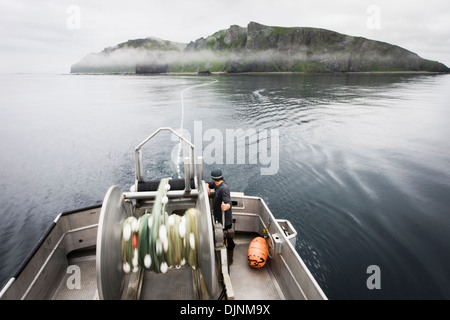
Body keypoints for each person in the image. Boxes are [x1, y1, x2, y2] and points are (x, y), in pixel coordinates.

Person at [206, 169, 235, 264]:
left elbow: (229, 203)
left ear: (213, 178)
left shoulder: (224, 189)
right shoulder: (216, 184)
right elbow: (208, 184)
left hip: (225, 220)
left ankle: (230, 257)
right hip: (219, 217)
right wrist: (207, 188)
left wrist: (225, 207)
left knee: (229, 239)